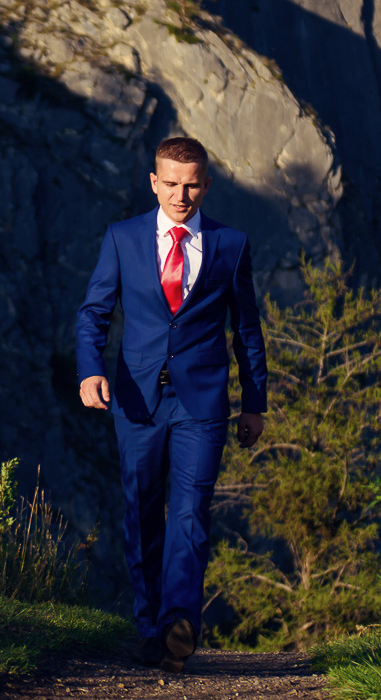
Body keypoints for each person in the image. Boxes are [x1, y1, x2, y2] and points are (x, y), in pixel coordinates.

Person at [74, 136, 267, 672]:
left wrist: (255, 404)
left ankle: (179, 620)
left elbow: (246, 329)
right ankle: (150, 625)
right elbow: (93, 313)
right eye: (172, 184)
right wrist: (91, 370)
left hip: (202, 404)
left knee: (190, 512)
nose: (182, 195)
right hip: (136, 402)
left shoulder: (231, 244)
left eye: (192, 185)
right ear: (154, 182)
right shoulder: (122, 239)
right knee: (141, 512)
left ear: (206, 184)